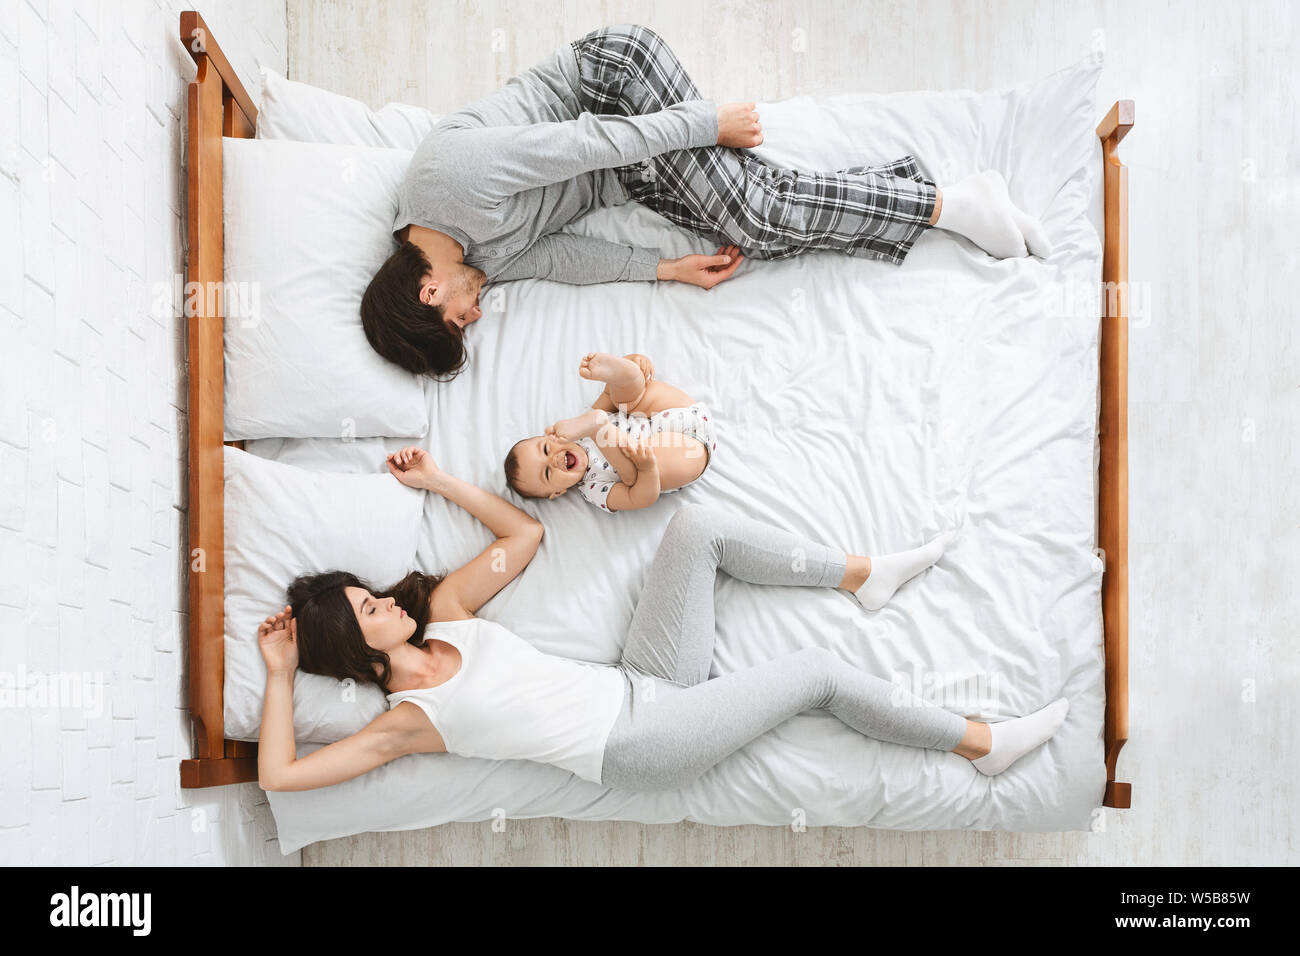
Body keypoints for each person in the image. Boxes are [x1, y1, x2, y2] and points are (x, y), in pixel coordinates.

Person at [255, 447, 1070, 793]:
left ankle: (863, 577)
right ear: (359, 651)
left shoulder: (448, 615)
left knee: (697, 529)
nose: (388, 603)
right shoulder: (407, 721)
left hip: (641, 680)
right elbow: (281, 778)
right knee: (818, 674)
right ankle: (981, 743)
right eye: (371, 611)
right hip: (640, 744)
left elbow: (526, 532)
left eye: (374, 594)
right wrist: (283, 676)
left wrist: (437, 480)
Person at [361, 25, 1052, 379]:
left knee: (754, 210)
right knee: (761, 231)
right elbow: (562, 256)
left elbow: (585, 143)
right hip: (626, 169)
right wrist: (667, 271)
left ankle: (947, 206)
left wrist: (706, 123)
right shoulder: (473, 264)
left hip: (613, 89)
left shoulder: (445, 180)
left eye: (458, 322)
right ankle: (933, 196)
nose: (474, 316)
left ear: (426, 294)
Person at [504, 351, 715, 513]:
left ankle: (628, 373)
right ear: (557, 493)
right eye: (548, 473)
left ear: (552, 436)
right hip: (685, 454)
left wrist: (631, 364)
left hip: (674, 412)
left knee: (625, 400)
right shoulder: (593, 488)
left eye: (546, 449)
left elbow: (609, 394)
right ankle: (607, 433)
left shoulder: (579, 426)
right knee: (634, 474)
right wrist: (647, 468)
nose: (554, 460)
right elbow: (640, 498)